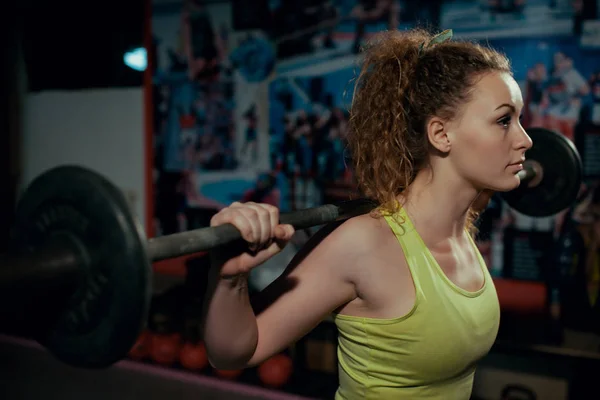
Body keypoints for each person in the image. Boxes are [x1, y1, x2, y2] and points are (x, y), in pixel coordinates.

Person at [201, 28, 533, 399]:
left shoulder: (460, 226)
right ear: (440, 135)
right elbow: (231, 352)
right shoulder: (364, 244)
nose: (525, 139)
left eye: (519, 119)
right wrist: (229, 279)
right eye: (504, 121)